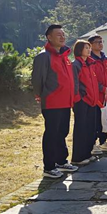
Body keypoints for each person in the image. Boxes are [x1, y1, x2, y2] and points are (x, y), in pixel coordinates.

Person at [31, 24, 79, 178]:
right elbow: (37, 79)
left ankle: (61, 161)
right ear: (49, 37)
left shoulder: (64, 57)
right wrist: (42, 95)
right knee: (52, 133)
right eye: (58, 34)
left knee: (62, 132)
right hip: (52, 101)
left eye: (63, 34)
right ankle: (49, 167)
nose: (62, 37)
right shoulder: (44, 56)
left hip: (66, 101)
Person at [71, 40, 101, 165]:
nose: (89, 50)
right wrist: (79, 98)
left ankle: (87, 153)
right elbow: (74, 84)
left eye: (89, 48)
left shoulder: (90, 64)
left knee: (90, 128)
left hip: (92, 101)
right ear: (79, 50)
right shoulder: (76, 65)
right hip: (82, 101)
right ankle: (78, 157)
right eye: (86, 48)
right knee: (81, 128)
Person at [88, 35, 107, 154]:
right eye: (97, 42)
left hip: (106, 95)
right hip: (95, 96)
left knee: (105, 119)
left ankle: (103, 141)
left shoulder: (106, 59)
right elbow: (91, 78)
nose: (100, 44)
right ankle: (93, 144)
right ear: (90, 45)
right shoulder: (89, 60)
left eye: (101, 41)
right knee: (95, 120)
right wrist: (101, 88)